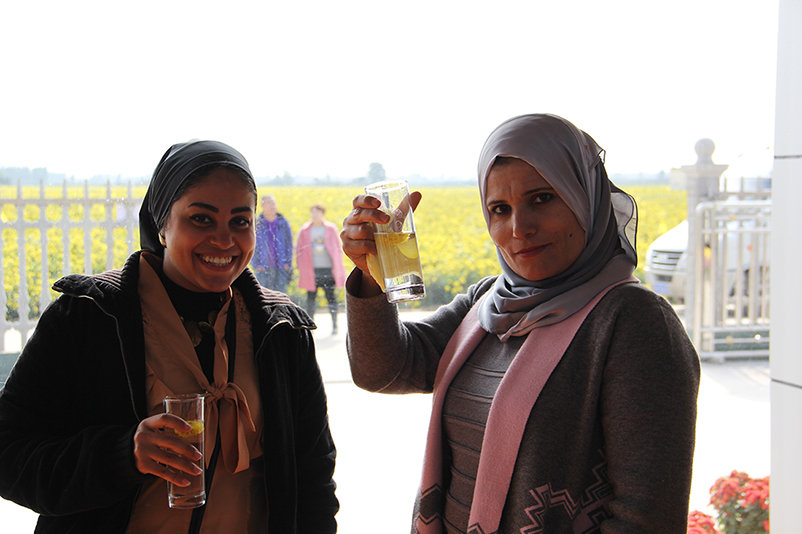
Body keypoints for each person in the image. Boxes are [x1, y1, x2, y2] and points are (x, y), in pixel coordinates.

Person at [340, 114, 700, 534]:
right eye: (500, 209)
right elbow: (384, 370)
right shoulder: (487, 304)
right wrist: (370, 273)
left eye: (542, 198)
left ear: (584, 198)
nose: (519, 228)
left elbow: (645, 518)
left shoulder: (632, 323)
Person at [0, 140, 338, 533]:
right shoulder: (90, 317)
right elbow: (9, 452)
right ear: (162, 225)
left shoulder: (281, 331)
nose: (224, 240)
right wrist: (123, 455)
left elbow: (313, 480)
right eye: (201, 219)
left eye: (240, 221)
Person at [296, 203, 346, 334]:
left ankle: (335, 325)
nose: (315, 215)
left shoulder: (330, 229)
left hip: (328, 269)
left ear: (323, 214)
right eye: (313, 212)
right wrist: (300, 267)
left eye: (317, 212)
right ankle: (309, 326)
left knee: (331, 298)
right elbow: (299, 250)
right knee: (310, 300)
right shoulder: (305, 230)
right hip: (311, 270)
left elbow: (337, 249)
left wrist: (339, 268)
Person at [251, 194, 294, 293]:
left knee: (280, 296)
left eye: (274, 203)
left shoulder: (283, 223)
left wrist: (287, 263)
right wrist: (256, 265)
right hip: (263, 268)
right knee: (263, 295)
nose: (273, 206)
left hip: (281, 267)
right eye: (269, 203)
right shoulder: (257, 224)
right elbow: (252, 245)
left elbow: (289, 244)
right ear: (262, 206)